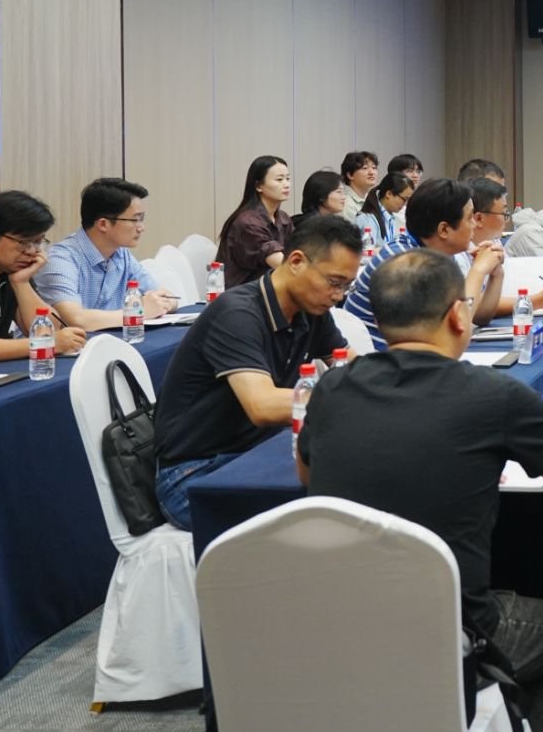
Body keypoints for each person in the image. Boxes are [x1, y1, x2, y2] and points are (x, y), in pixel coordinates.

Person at [298, 249, 543, 728]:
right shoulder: (497, 395)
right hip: (452, 632)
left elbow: (307, 476)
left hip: (338, 623)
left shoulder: (331, 388)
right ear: (458, 316)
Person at [153, 215, 359, 529]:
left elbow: (352, 364)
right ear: (296, 261)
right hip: (194, 475)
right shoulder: (237, 314)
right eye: (334, 282)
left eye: (346, 286)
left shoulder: (311, 309)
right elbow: (262, 406)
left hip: (256, 452)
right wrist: (351, 398)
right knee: (331, 517)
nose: (339, 295)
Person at [343, 178, 507, 348]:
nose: (474, 224)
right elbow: (457, 329)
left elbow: (479, 316)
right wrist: (478, 270)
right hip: (382, 359)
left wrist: (496, 274)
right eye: (469, 218)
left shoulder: (438, 253)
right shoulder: (403, 261)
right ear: (444, 230)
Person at [0, 191, 86, 365]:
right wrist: (44, 344)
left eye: (38, 242)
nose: (32, 251)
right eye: (24, 242)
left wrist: (21, 283)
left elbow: (49, 330)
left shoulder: (10, 271)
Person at [36, 178, 176, 331]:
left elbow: (169, 299)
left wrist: (160, 303)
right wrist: (139, 311)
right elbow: (76, 320)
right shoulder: (61, 260)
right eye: (135, 220)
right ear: (103, 224)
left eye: (141, 219)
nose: (141, 228)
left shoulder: (121, 254)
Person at [216, 155, 295, 289]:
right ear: (259, 186)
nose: (286, 184)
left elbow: (298, 251)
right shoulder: (249, 223)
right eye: (279, 179)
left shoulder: (283, 218)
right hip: (243, 294)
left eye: (287, 178)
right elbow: (283, 266)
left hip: (270, 290)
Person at [356, 171, 413, 248]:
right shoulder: (366, 219)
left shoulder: (394, 219)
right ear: (389, 194)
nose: (405, 204)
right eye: (404, 199)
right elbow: (367, 251)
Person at [338, 151, 379, 221]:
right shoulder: (344, 202)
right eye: (365, 168)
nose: (372, 172)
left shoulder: (372, 199)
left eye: (374, 168)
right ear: (350, 175)